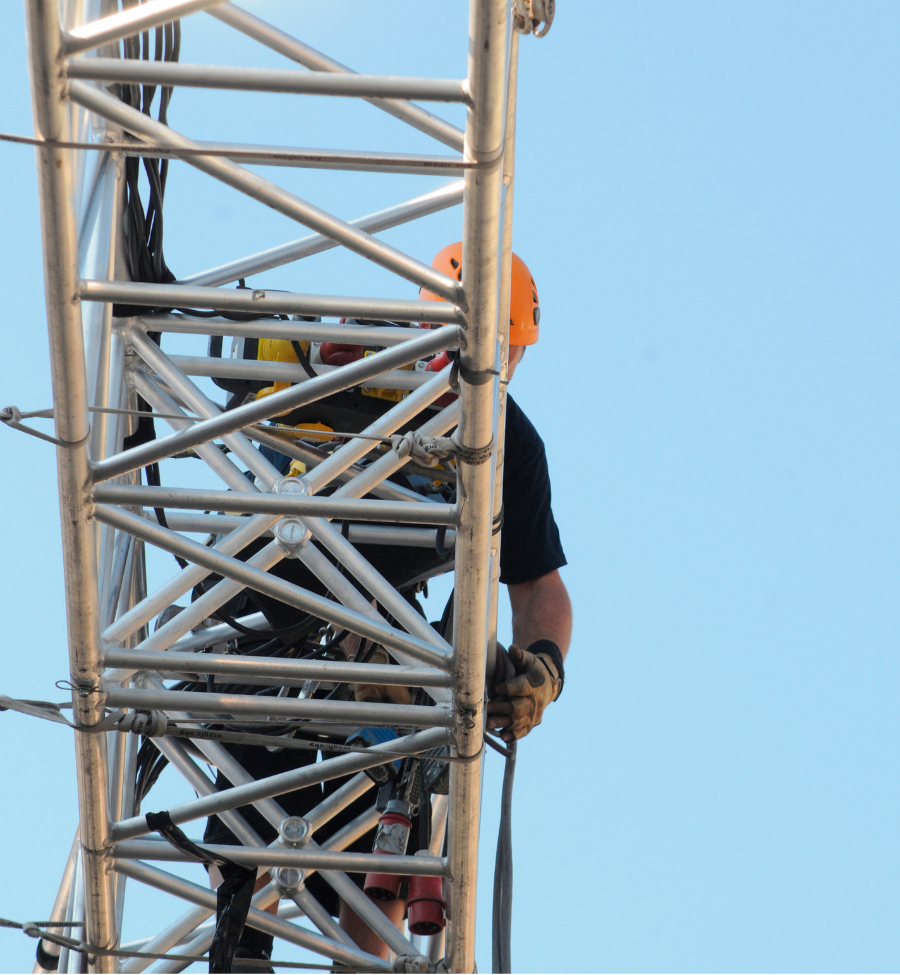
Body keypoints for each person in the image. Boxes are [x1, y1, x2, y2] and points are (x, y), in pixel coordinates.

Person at [202, 243, 572, 968]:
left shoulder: (509, 441)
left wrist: (544, 669)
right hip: (278, 600)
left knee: (396, 802)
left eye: (507, 352)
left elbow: (539, 587)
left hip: (384, 645)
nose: (498, 368)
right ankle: (244, 940)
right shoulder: (344, 356)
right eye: (496, 347)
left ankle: (360, 958)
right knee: (253, 795)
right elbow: (241, 400)